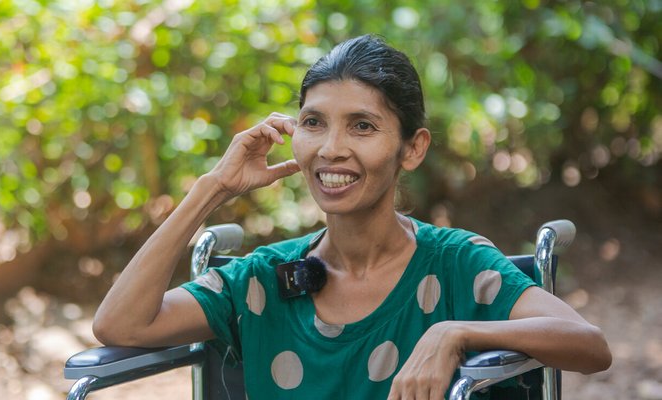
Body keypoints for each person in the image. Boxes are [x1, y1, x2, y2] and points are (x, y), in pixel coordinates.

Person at [92, 35, 611, 399]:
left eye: (362, 126)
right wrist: (211, 190)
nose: (331, 149)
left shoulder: (454, 265)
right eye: (313, 123)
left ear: (412, 149)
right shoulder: (263, 280)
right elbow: (120, 324)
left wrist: (454, 333)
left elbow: (589, 345)